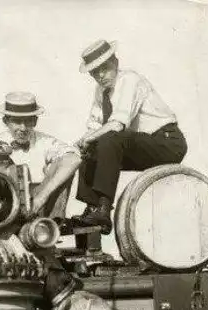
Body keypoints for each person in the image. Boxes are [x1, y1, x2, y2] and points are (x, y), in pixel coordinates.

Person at [74, 39, 188, 233]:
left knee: (110, 137)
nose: (100, 75)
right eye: (94, 72)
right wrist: (81, 144)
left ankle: (103, 210)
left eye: (105, 68)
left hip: (167, 142)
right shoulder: (100, 91)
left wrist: (90, 138)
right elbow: (94, 126)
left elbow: (118, 124)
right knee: (90, 149)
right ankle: (91, 209)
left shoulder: (130, 80)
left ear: (116, 63)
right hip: (140, 143)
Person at [0, 92, 81, 218]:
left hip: (40, 207)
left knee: (63, 168)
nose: (23, 128)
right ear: (6, 121)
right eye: (17, 121)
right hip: (6, 207)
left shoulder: (45, 142)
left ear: (35, 121)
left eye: (28, 121)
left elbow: (74, 159)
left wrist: (41, 197)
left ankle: (52, 223)